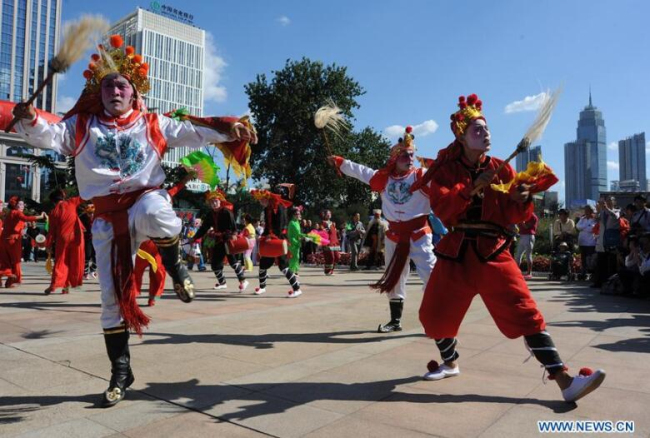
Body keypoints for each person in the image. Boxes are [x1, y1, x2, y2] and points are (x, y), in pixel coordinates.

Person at [11, 35, 256, 407]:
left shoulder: (152, 122)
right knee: (111, 300)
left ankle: (175, 266)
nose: (114, 90)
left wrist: (228, 129)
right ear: (100, 91)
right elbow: (46, 133)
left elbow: (193, 130)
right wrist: (28, 117)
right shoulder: (80, 126)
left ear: (134, 92)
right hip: (107, 219)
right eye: (108, 84)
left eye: (122, 84)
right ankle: (121, 371)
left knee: (154, 211)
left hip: (145, 199)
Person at [418, 94, 604, 403]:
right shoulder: (446, 170)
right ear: (461, 137)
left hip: (493, 253)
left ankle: (564, 379)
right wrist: (472, 186)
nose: (486, 133)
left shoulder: (502, 170)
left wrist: (521, 198)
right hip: (456, 254)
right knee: (434, 316)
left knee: (525, 312)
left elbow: (516, 217)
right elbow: (443, 207)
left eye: (487, 129)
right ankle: (450, 362)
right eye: (477, 130)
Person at [329, 125, 436, 333]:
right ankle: (395, 321)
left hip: (419, 234)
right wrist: (340, 162)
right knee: (393, 278)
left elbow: (446, 178)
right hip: (395, 236)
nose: (410, 158)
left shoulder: (422, 176)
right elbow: (360, 171)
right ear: (395, 158)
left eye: (412, 154)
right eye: (405, 155)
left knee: (432, 274)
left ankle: (436, 320)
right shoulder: (383, 179)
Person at [191, 189, 248, 292]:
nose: (214, 203)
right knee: (215, 264)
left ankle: (243, 281)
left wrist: (234, 234)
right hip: (218, 241)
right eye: (211, 202)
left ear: (220, 201)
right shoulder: (209, 215)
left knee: (233, 262)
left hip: (228, 240)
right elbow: (203, 228)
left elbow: (233, 226)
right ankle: (222, 283)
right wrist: (195, 237)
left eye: (215, 201)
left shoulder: (226, 212)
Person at [252, 186, 303, 297]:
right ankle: (262, 287)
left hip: (278, 239)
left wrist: (272, 236)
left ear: (268, 198)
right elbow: (267, 227)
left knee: (283, 266)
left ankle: (297, 289)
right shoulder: (266, 209)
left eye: (262, 200)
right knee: (263, 264)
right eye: (260, 200)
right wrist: (264, 236)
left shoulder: (279, 207)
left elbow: (280, 226)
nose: (261, 202)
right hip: (270, 240)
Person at [44, 189, 86, 295]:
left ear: (53, 201)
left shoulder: (53, 212)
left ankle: (54, 284)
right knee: (75, 261)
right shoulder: (71, 202)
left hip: (62, 238)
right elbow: (84, 196)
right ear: (62, 197)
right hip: (76, 236)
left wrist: (48, 245)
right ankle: (67, 286)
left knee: (61, 262)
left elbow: (51, 232)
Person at [0, 197, 46, 287]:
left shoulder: (10, 214)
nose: (22, 206)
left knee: (6, 261)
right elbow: (26, 218)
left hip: (5, 240)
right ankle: (14, 279)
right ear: (15, 205)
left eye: (22, 204)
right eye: (20, 204)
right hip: (13, 240)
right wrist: (40, 216)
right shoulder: (16, 213)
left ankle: (9, 281)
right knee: (16, 261)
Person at [591, 196, 620, 288]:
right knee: (601, 262)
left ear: (614, 202)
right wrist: (598, 210)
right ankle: (599, 282)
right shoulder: (603, 212)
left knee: (611, 263)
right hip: (602, 239)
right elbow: (595, 219)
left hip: (612, 240)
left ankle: (611, 283)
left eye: (610, 201)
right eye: (606, 201)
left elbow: (615, 217)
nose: (608, 202)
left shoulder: (617, 211)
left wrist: (606, 209)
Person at [134, 240, 165, 307]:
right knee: (136, 273)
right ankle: (133, 296)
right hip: (144, 244)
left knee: (158, 273)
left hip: (157, 246)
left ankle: (153, 298)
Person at [576, 205, 597, 280]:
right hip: (582, 242)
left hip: (591, 243)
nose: (586, 212)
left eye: (588, 210)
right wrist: (586, 226)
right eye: (585, 210)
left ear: (591, 211)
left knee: (590, 260)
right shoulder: (582, 218)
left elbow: (592, 229)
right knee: (583, 259)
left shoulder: (594, 219)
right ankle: (583, 273)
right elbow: (578, 226)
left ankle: (592, 274)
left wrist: (583, 228)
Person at [514, 212, 538, 279]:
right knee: (518, 255)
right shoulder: (524, 215)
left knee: (528, 255)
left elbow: (526, 226)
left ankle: (529, 273)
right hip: (522, 235)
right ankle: (516, 272)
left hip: (529, 236)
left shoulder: (533, 216)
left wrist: (521, 220)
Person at [79, 202, 97, 279]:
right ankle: (85, 272)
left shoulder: (98, 216)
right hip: (87, 239)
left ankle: (92, 270)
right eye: (89, 213)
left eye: (91, 212)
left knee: (97, 256)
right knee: (87, 255)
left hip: (97, 238)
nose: (90, 214)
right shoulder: (82, 217)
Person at [321, 210, 340, 275]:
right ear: (325, 215)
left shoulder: (332, 223)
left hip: (335, 242)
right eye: (327, 213)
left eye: (330, 213)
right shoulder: (323, 223)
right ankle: (327, 271)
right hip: (328, 243)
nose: (329, 214)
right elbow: (322, 231)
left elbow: (334, 232)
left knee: (337, 257)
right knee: (331, 257)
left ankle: (331, 270)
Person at [287, 207, 306, 275]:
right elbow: (293, 234)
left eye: (299, 213)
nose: (299, 215)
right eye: (297, 214)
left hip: (297, 242)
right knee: (294, 257)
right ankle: (291, 271)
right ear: (293, 215)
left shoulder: (297, 222)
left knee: (297, 257)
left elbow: (299, 234)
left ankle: (295, 270)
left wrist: (306, 236)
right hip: (292, 242)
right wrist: (305, 236)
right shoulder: (291, 223)